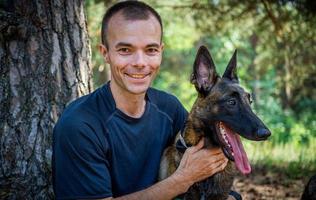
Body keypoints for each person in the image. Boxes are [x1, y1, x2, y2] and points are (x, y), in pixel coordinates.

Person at [53, 1, 235, 199]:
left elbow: (206, 163)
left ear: (161, 51)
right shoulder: (80, 124)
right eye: (125, 50)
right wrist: (182, 180)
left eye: (150, 50)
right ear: (105, 53)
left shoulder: (169, 108)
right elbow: (189, 175)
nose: (140, 63)